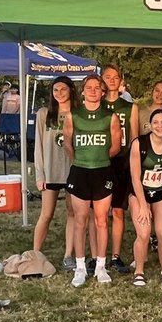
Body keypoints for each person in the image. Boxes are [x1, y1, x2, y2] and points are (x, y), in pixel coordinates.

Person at [63, 74, 121, 288]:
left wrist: (99, 158)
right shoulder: (73, 115)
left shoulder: (110, 117)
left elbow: (116, 146)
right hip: (80, 171)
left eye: (97, 88)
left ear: (103, 92)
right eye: (89, 87)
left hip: (102, 171)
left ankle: (101, 266)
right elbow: (67, 143)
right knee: (80, 219)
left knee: (101, 220)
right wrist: (81, 159)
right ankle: (80, 267)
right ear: (83, 91)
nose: (93, 91)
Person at [128, 109, 162, 288]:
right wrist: (143, 206)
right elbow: (135, 177)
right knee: (143, 233)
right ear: (150, 126)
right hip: (140, 192)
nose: (160, 126)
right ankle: (139, 272)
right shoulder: (139, 143)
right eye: (155, 122)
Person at [33, 76, 79, 269]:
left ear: (71, 90)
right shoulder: (44, 114)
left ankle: (68, 255)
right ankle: (35, 253)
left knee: (72, 212)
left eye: (63, 89)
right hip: (51, 171)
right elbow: (38, 145)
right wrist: (40, 174)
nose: (59, 93)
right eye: (55, 90)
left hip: (73, 170)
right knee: (46, 214)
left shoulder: (78, 114)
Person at [101, 64, 138, 274]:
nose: (112, 80)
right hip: (99, 161)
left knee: (117, 210)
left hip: (122, 161)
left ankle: (115, 255)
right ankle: (98, 255)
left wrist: (132, 164)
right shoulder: (96, 105)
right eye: (107, 77)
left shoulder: (130, 107)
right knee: (98, 212)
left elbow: (134, 139)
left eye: (116, 77)